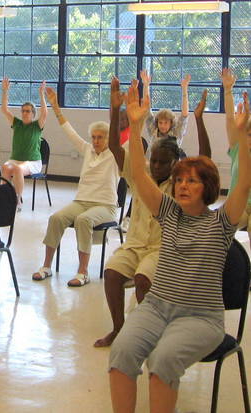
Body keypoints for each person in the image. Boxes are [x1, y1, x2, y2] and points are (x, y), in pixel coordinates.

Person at [108, 79, 249, 413]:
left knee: (163, 360)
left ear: (207, 188)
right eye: (181, 180)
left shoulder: (222, 222)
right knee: (122, 352)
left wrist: (242, 137)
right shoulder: (169, 212)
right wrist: (136, 125)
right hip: (157, 307)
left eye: (192, 181)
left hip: (201, 318)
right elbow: (139, 175)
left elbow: (244, 184)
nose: (183, 185)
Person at [94, 77, 211, 348]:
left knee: (142, 279)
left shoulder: (181, 185)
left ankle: (148, 332)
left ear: (175, 163)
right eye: (154, 161)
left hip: (163, 249)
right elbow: (115, 147)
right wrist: (115, 110)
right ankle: (119, 328)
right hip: (135, 244)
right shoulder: (141, 175)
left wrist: (199, 119)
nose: (156, 166)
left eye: (162, 163)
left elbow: (204, 159)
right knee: (111, 274)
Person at [32, 87, 119, 287]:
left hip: (105, 206)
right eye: (94, 137)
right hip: (81, 202)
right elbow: (68, 130)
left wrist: (116, 107)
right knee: (56, 218)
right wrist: (56, 107)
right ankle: (46, 266)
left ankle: (83, 272)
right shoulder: (87, 149)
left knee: (83, 220)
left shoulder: (116, 155)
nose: (96, 141)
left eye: (101, 137)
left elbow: (121, 134)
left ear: (109, 139)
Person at [0, 77, 47, 210]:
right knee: (5, 167)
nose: (25, 113)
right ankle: (4, 198)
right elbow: (4, 109)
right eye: (23, 111)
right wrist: (5, 91)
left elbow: (45, 113)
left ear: (33, 113)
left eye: (28, 111)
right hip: (15, 159)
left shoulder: (37, 125)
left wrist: (41, 94)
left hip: (32, 162)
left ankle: (17, 200)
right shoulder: (17, 123)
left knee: (18, 169)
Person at [223, 67, 251, 242]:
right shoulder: (237, 148)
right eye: (249, 134)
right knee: (220, 230)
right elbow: (229, 118)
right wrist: (228, 90)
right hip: (237, 203)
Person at [141, 70, 190, 147]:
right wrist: (146, 85)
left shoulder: (176, 133)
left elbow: (184, 115)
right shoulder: (154, 131)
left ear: (171, 123)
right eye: (160, 123)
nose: (162, 126)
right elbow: (146, 108)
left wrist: (184, 89)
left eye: (166, 123)